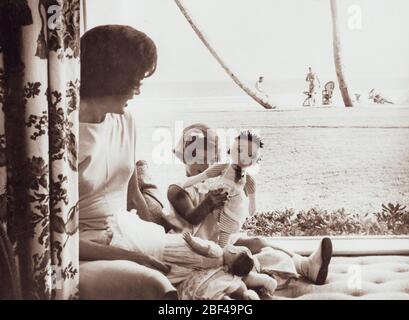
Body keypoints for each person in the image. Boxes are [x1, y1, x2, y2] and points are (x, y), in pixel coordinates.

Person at [166, 123, 333, 288]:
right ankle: (270, 274)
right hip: (194, 247)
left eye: (210, 159)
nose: (204, 165)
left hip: (216, 239)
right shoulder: (177, 189)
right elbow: (193, 218)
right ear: (182, 156)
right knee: (242, 260)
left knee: (258, 241)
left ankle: (305, 265)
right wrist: (210, 201)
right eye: (196, 158)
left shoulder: (213, 183)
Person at [78, 25, 175, 299]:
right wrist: (132, 257)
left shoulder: (125, 120)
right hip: (79, 251)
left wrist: (159, 236)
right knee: (155, 283)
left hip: (124, 235)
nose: (138, 92)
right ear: (111, 77)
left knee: (216, 258)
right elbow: (52, 236)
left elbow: (134, 197)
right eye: (135, 82)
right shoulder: (60, 135)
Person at [181, 131, 263, 247]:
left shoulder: (247, 178)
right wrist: (190, 182)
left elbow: (252, 196)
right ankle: (219, 249)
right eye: (240, 150)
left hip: (232, 210)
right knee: (215, 225)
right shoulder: (223, 168)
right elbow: (204, 175)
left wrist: (252, 206)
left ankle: (222, 251)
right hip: (216, 209)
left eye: (251, 155)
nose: (244, 157)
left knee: (226, 235)